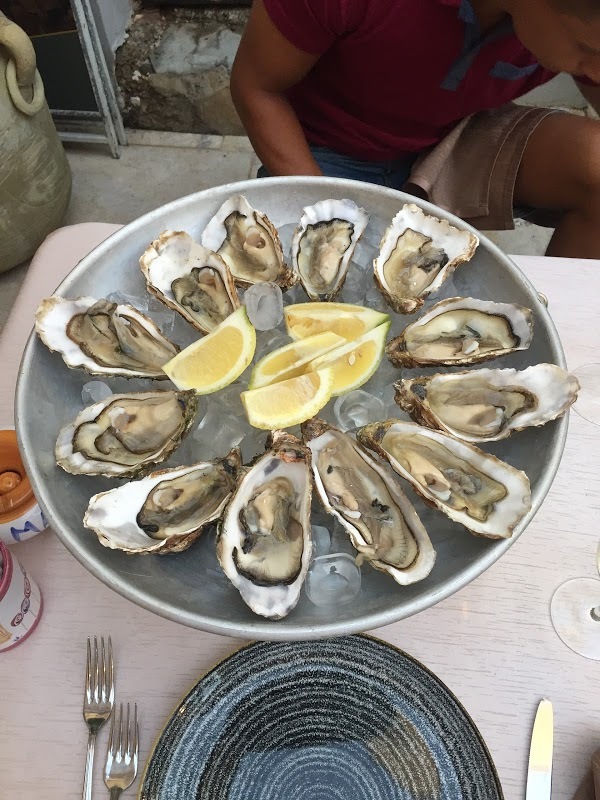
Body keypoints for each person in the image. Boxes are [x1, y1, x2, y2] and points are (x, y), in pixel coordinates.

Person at [230, 0, 600, 258]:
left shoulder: (570, 24)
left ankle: (556, 343)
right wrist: (324, 217)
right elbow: (257, 88)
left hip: (454, 135)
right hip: (326, 147)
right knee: (312, 279)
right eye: (589, 50)